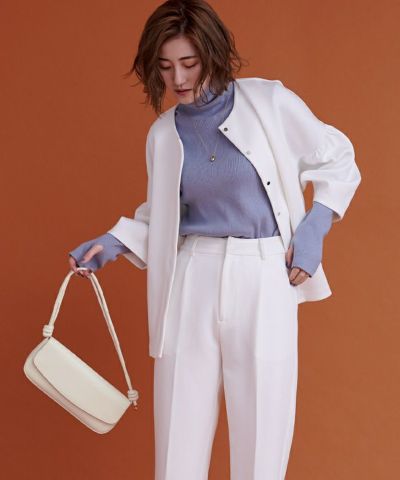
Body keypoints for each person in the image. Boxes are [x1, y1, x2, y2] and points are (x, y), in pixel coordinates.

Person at [68, 1, 361, 478]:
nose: (178, 79)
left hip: (263, 274)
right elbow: (167, 216)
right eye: (165, 67)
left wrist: (315, 226)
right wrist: (116, 241)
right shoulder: (163, 134)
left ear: (214, 54)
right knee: (177, 441)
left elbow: (338, 157)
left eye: (189, 63)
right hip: (190, 278)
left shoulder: (269, 102)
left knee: (262, 439)